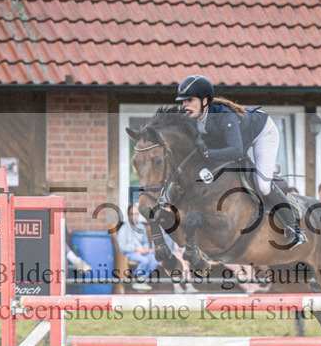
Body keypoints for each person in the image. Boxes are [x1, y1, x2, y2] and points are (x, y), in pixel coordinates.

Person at [176, 74, 305, 248]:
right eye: (183, 101)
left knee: (263, 185)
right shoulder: (192, 120)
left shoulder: (225, 117)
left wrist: (207, 155)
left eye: (189, 100)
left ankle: (294, 229)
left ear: (204, 100)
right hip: (237, 141)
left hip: (262, 133)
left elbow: (236, 151)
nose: (185, 105)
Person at [117, 205, 159, 292]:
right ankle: (138, 279)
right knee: (145, 261)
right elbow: (122, 246)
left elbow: (145, 242)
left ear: (138, 214)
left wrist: (145, 249)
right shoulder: (124, 228)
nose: (134, 216)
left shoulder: (141, 227)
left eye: (136, 214)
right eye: (132, 214)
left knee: (155, 260)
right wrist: (136, 249)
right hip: (130, 253)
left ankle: (141, 279)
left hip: (143, 252)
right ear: (128, 215)